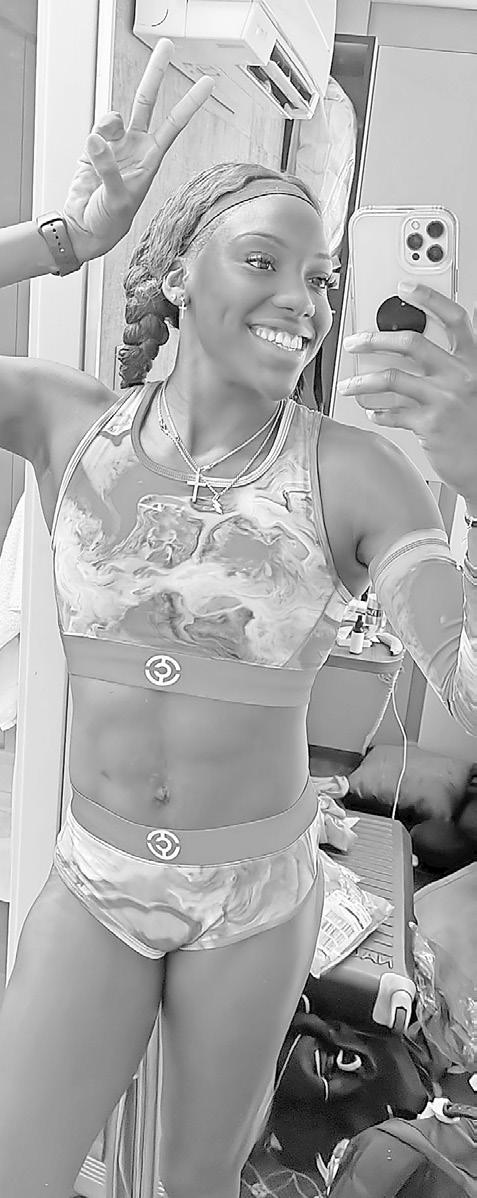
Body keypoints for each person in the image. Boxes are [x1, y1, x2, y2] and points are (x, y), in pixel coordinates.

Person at [0, 35, 476, 1198]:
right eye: (265, 260)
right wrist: (64, 239)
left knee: (196, 1184)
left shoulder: (359, 471)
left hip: (254, 902)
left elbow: (463, 676)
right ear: (176, 277)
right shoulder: (71, 425)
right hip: (98, 881)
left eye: (322, 279)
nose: (302, 302)